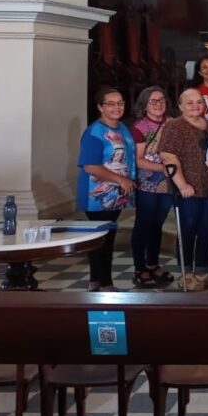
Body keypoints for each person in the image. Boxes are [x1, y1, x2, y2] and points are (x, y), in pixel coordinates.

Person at [77, 87, 137, 292]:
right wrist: (120, 180)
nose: (117, 107)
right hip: (98, 195)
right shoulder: (94, 132)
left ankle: (96, 281)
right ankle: (106, 284)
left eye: (120, 103)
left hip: (117, 194)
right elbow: (90, 166)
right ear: (100, 107)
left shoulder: (122, 128)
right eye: (111, 104)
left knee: (101, 239)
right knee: (103, 240)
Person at [158, 88, 208, 291]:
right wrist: (182, 184)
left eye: (199, 102)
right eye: (189, 102)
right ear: (181, 106)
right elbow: (168, 157)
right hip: (187, 190)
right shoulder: (174, 126)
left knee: (207, 230)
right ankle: (186, 273)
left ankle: (202, 269)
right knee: (188, 230)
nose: (195, 106)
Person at [129, 87, 173, 289]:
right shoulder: (140, 127)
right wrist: (163, 168)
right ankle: (140, 267)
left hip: (167, 184)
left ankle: (153, 263)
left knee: (157, 224)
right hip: (147, 182)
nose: (158, 104)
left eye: (161, 100)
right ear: (144, 104)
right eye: (153, 101)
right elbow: (138, 160)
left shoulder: (172, 123)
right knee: (143, 225)